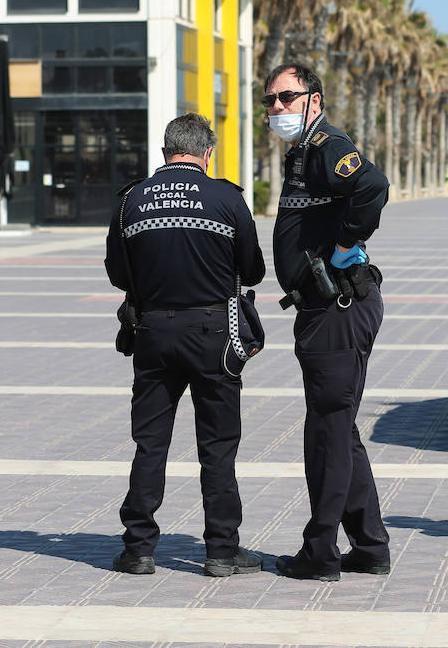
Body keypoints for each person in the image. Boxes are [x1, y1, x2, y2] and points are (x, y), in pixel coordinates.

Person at [105, 113, 266, 577]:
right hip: (215, 334)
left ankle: (138, 548)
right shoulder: (226, 198)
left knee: (149, 443)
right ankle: (220, 550)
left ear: (164, 152)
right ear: (207, 152)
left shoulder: (130, 201)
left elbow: (117, 273)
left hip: (153, 332)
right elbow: (252, 271)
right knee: (218, 446)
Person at [264, 62, 391, 582]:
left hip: (338, 307)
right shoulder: (302, 155)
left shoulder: (325, 146)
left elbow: (373, 186)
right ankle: (370, 545)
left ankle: (320, 552)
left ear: (314, 99)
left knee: (327, 434)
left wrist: (343, 247)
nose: (276, 109)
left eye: (287, 98)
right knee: (339, 430)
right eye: (269, 100)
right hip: (323, 309)